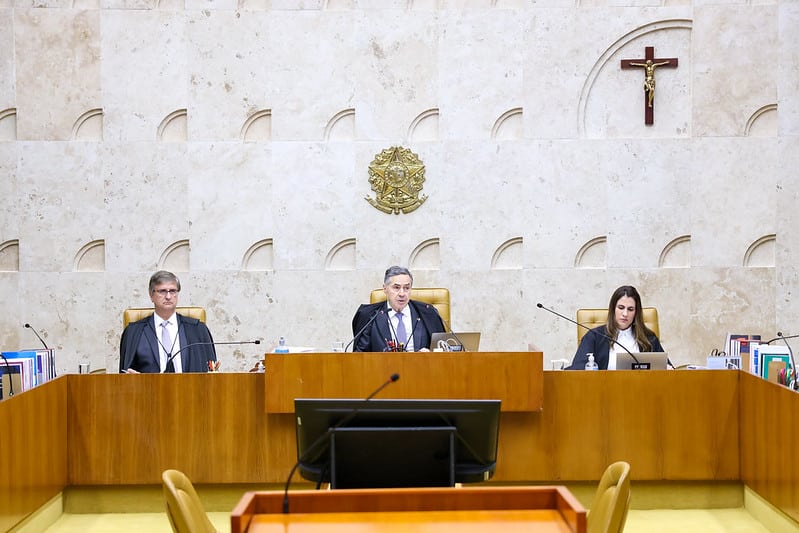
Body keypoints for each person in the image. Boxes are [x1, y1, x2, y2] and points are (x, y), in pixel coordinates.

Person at [119, 270, 217, 373]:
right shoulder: (133, 332)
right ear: (151, 295)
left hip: (189, 388)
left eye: (173, 291)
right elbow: (124, 376)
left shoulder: (198, 330)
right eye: (162, 291)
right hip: (148, 388)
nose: (168, 296)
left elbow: (212, 374)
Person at [567, 285, 664, 370]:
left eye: (630, 309)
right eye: (621, 308)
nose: (625, 314)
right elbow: (578, 370)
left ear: (636, 313)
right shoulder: (594, 336)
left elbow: (666, 368)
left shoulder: (649, 338)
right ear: (613, 309)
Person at [351, 266, 446, 352]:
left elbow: (443, 350)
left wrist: (429, 355)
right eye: (396, 288)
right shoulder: (371, 317)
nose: (402, 293)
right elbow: (360, 356)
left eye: (406, 288)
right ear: (385, 289)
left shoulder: (428, 313)